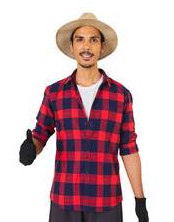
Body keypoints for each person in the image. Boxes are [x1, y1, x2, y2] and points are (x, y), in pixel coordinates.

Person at [19, 13, 149, 222]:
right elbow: (40, 135)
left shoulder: (121, 95)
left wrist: (140, 200)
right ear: (72, 46)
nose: (86, 46)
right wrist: (31, 148)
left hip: (106, 201)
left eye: (93, 40)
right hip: (64, 199)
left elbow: (129, 149)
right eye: (80, 39)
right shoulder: (54, 93)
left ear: (102, 47)